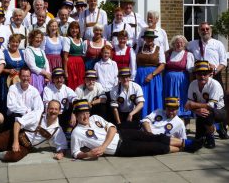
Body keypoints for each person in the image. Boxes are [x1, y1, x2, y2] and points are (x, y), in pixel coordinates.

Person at [70, 99, 202, 159]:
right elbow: (75, 153)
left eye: (86, 112)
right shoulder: (77, 133)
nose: (85, 115)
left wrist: (103, 147)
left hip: (123, 134)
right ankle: (183, 148)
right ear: (76, 115)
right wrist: (88, 154)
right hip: (120, 148)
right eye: (81, 114)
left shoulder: (94, 118)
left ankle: (188, 144)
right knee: (154, 147)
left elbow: (112, 128)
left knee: (153, 137)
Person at [185, 60, 228, 149]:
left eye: (205, 73)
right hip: (201, 112)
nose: (202, 76)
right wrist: (197, 111)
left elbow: (212, 105)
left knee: (207, 113)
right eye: (199, 74)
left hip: (219, 111)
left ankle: (210, 137)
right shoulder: (192, 84)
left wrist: (194, 105)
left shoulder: (214, 84)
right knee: (198, 139)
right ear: (195, 74)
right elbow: (188, 105)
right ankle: (217, 126)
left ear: (210, 74)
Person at [135, 29, 165, 118]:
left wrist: (152, 74)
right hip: (140, 77)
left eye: (151, 38)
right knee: (141, 97)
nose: (149, 40)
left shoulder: (158, 48)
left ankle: (155, 119)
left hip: (154, 77)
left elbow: (162, 65)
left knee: (153, 97)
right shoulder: (139, 48)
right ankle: (141, 120)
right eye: (147, 38)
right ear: (144, 39)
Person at [187, 22, 227, 88]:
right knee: (198, 97)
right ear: (199, 31)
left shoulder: (218, 44)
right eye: (202, 29)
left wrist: (215, 71)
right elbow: (181, 49)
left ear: (211, 30)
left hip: (214, 75)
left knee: (216, 97)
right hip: (198, 76)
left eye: (207, 29)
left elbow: (223, 62)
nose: (205, 31)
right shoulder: (191, 44)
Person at [164, 35, 194, 121]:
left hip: (181, 81)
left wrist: (191, 83)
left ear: (184, 44)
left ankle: (184, 121)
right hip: (168, 82)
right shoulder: (169, 54)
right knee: (169, 98)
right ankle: (170, 119)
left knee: (181, 98)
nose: (179, 44)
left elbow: (190, 71)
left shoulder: (188, 55)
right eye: (177, 42)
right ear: (173, 44)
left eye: (181, 42)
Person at [43, 67, 77, 134]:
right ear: (53, 79)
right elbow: (47, 105)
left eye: (61, 78)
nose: (59, 80)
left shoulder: (66, 89)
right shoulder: (47, 89)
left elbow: (76, 100)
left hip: (64, 115)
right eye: (57, 78)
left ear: (64, 79)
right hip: (52, 114)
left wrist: (73, 114)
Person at [0, 34, 26, 116]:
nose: (15, 44)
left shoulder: (22, 52)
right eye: (13, 42)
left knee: (19, 99)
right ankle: (6, 121)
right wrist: (8, 70)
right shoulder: (4, 53)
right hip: (6, 81)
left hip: (19, 81)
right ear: (9, 42)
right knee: (6, 99)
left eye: (17, 42)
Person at [24, 29, 51, 94]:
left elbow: (46, 63)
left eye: (40, 38)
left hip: (44, 78)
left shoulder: (41, 50)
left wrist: (48, 74)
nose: (39, 39)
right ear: (32, 38)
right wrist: (45, 73)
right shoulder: (28, 50)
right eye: (36, 37)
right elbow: (32, 67)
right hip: (35, 77)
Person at [63, 21, 85, 90]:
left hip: (80, 65)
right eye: (72, 28)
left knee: (80, 83)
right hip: (71, 64)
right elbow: (65, 56)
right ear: (69, 29)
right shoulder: (67, 39)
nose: (74, 30)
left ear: (79, 30)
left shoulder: (81, 40)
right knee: (72, 83)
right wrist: (65, 71)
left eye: (76, 28)